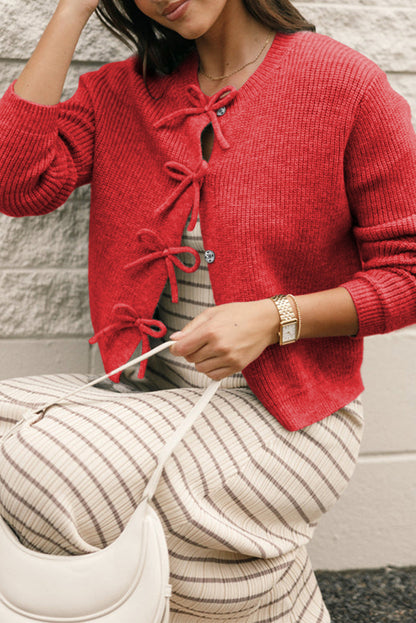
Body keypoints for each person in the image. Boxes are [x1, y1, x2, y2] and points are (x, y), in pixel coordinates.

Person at [0, 0, 415, 620]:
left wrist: (277, 317)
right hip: (150, 408)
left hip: (288, 422)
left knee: (42, 462)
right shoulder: (122, 92)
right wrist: (70, 12)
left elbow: (407, 272)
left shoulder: (343, 83)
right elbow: (18, 180)